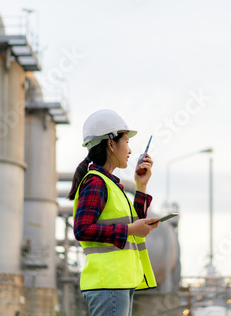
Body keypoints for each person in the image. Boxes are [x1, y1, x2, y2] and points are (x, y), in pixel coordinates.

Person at [67, 109, 159, 316]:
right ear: (110, 143)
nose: (129, 150)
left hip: (117, 282)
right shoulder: (96, 183)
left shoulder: (108, 184)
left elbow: (134, 222)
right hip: (109, 284)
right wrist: (130, 229)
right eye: (126, 141)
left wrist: (141, 185)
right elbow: (82, 229)